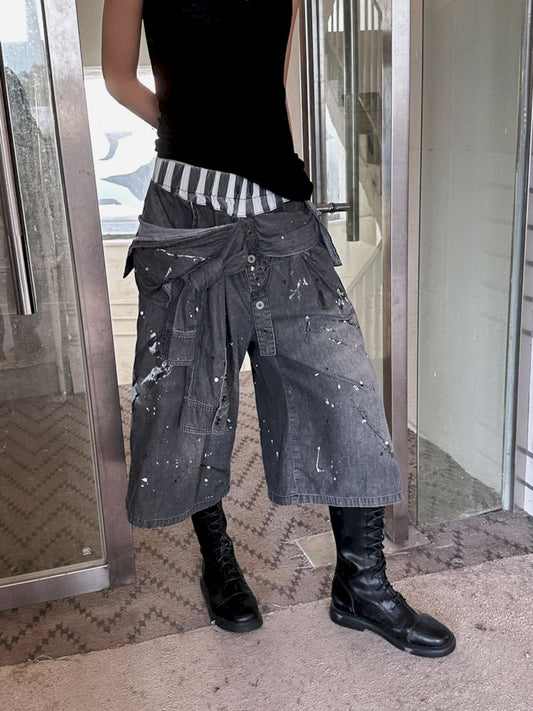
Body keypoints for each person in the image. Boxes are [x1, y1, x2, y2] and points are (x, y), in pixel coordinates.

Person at [102, 0, 456, 657]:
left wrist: (267, 156)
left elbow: (273, 82)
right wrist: (187, 127)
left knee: (344, 389)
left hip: (279, 210)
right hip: (187, 214)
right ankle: (219, 561)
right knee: (195, 399)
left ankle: (362, 584)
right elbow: (118, 77)